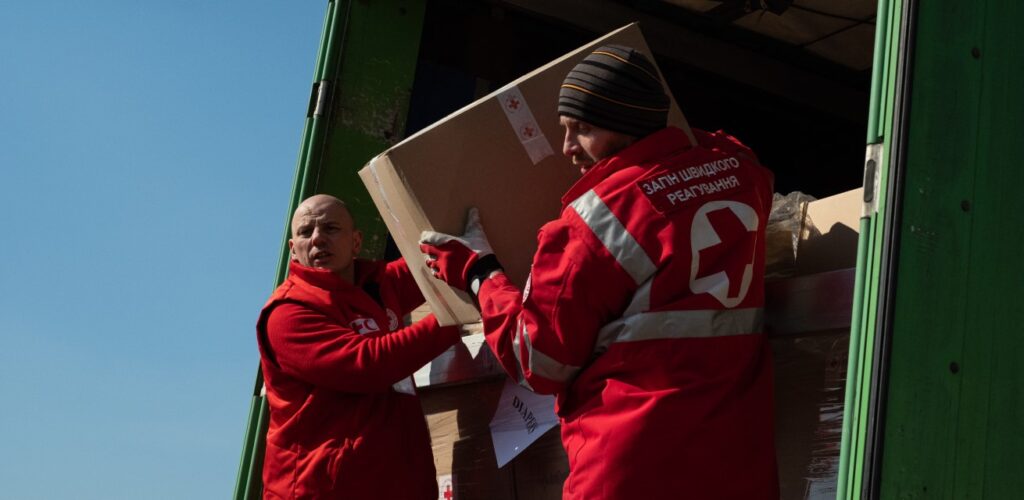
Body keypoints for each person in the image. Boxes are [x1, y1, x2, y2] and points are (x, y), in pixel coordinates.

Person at [419, 45, 779, 499]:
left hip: (633, 463)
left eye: (583, 130)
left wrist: (479, 271)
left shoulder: (594, 223)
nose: (567, 148)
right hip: (735, 458)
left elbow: (539, 361)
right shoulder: (742, 171)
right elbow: (718, 145)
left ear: (628, 126)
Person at [256, 194, 461, 499]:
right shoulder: (287, 313)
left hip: (399, 484)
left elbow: (432, 259)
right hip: (324, 490)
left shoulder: (377, 285)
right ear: (293, 251)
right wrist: (455, 314)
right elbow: (369, 365)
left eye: (330, 228)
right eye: (305, 232)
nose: (317, 239)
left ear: (356, 242)